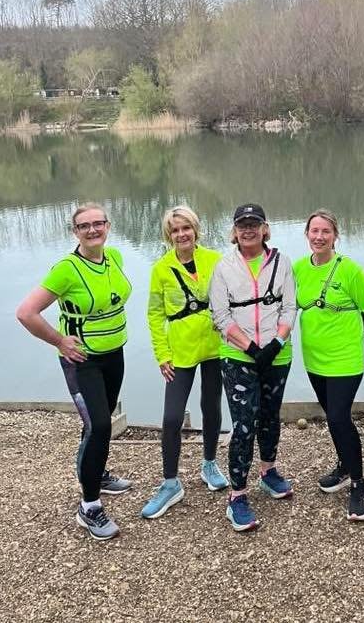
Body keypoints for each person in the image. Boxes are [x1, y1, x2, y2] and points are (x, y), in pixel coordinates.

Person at [16, 202, 132, 540]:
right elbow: (27, 313)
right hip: (83, 361)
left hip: (114, 353)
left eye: (99, 223)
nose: (93, 230)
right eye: (85, 226)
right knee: (98, 426)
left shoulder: (115, 258)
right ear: (75, 232)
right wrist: (59, 342)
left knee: (102, 420)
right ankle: (90, 505)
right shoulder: (66, 269)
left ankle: (97, 474)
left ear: (108, 226)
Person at [209, 203, 297, 532]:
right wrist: (249, 346)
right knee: (244, 424)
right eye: (242, 225)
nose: (248, 230)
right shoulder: (223, 267)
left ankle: (268, 471)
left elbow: (289, 307)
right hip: (239, 357)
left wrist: (277, 343)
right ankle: (237, 494)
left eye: (254, 224)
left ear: (264, 228)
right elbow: (220, 315)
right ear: (234, 230)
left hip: (277, 353)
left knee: (270, 416)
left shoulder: (282, 263)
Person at [141, 206, 228, 520]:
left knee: (212, 407)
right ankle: (170, 482)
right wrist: (162, 354)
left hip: (215, 347)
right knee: (172, 417)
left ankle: (209, 464)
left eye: (186, 228)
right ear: (169, 235)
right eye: (175, 230)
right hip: (180, 351)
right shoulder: (161, 269)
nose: (181, 235)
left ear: (195, 230)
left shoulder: (215, 260)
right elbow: (154, 315)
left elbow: (229, 298)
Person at [294, 209, 364, 522]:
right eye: (314, 231)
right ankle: (343, 467)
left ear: (335, 236)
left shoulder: (350, 270)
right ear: (307, 235)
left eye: (325, 232)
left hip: (345, 358)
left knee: (340, 418)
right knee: (332, 417)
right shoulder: (299, 269)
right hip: (314, 358)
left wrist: (346, 336)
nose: (319, 237)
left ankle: (359, 484)